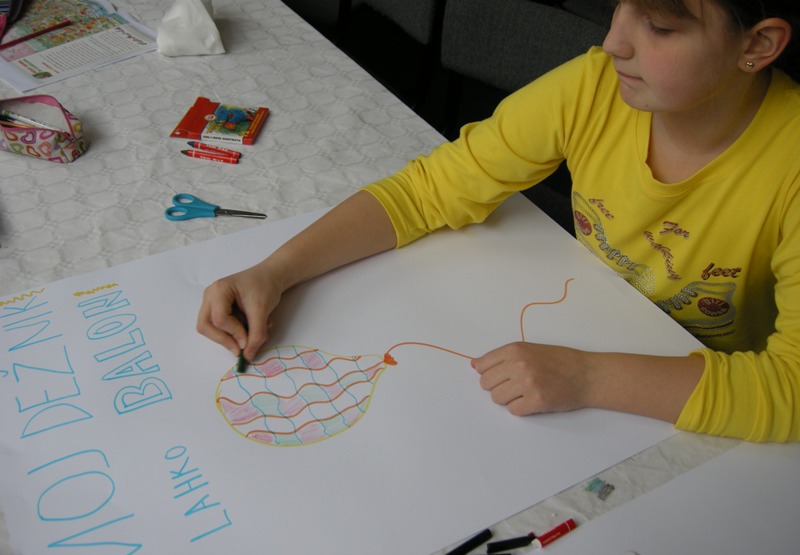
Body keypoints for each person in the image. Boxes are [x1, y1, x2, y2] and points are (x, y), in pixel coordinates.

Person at [197, 0, 800, 443]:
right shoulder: (594, 85)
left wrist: (588, 377)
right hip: (589, 325)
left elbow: (790, 390)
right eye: (620, 6)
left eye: (660, 27)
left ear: (759, 44)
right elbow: (430, 189)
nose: (614, 41)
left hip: (699, 396)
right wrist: (276, 271)